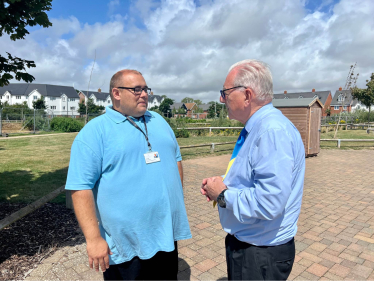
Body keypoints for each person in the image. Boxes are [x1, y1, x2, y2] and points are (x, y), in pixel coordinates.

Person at [65, 69, 191, 280]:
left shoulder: (158, 120)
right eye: (136, 89)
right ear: (116, 93)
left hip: (165, 234)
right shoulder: (95, 132)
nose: (144, 94)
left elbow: (175, 158)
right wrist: (94, 239)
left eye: (145, 89)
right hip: (125, 246)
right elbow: (80, 187)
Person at [201, 59, 305, 280]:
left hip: (259, 252)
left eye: (225, 92)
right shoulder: (262, 126)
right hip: (255, 246)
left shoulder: (270, 131)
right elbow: (255, 179)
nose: (222, 99)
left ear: (247, 95)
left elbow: (269, 202)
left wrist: (222, 194)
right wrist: (222, 182)